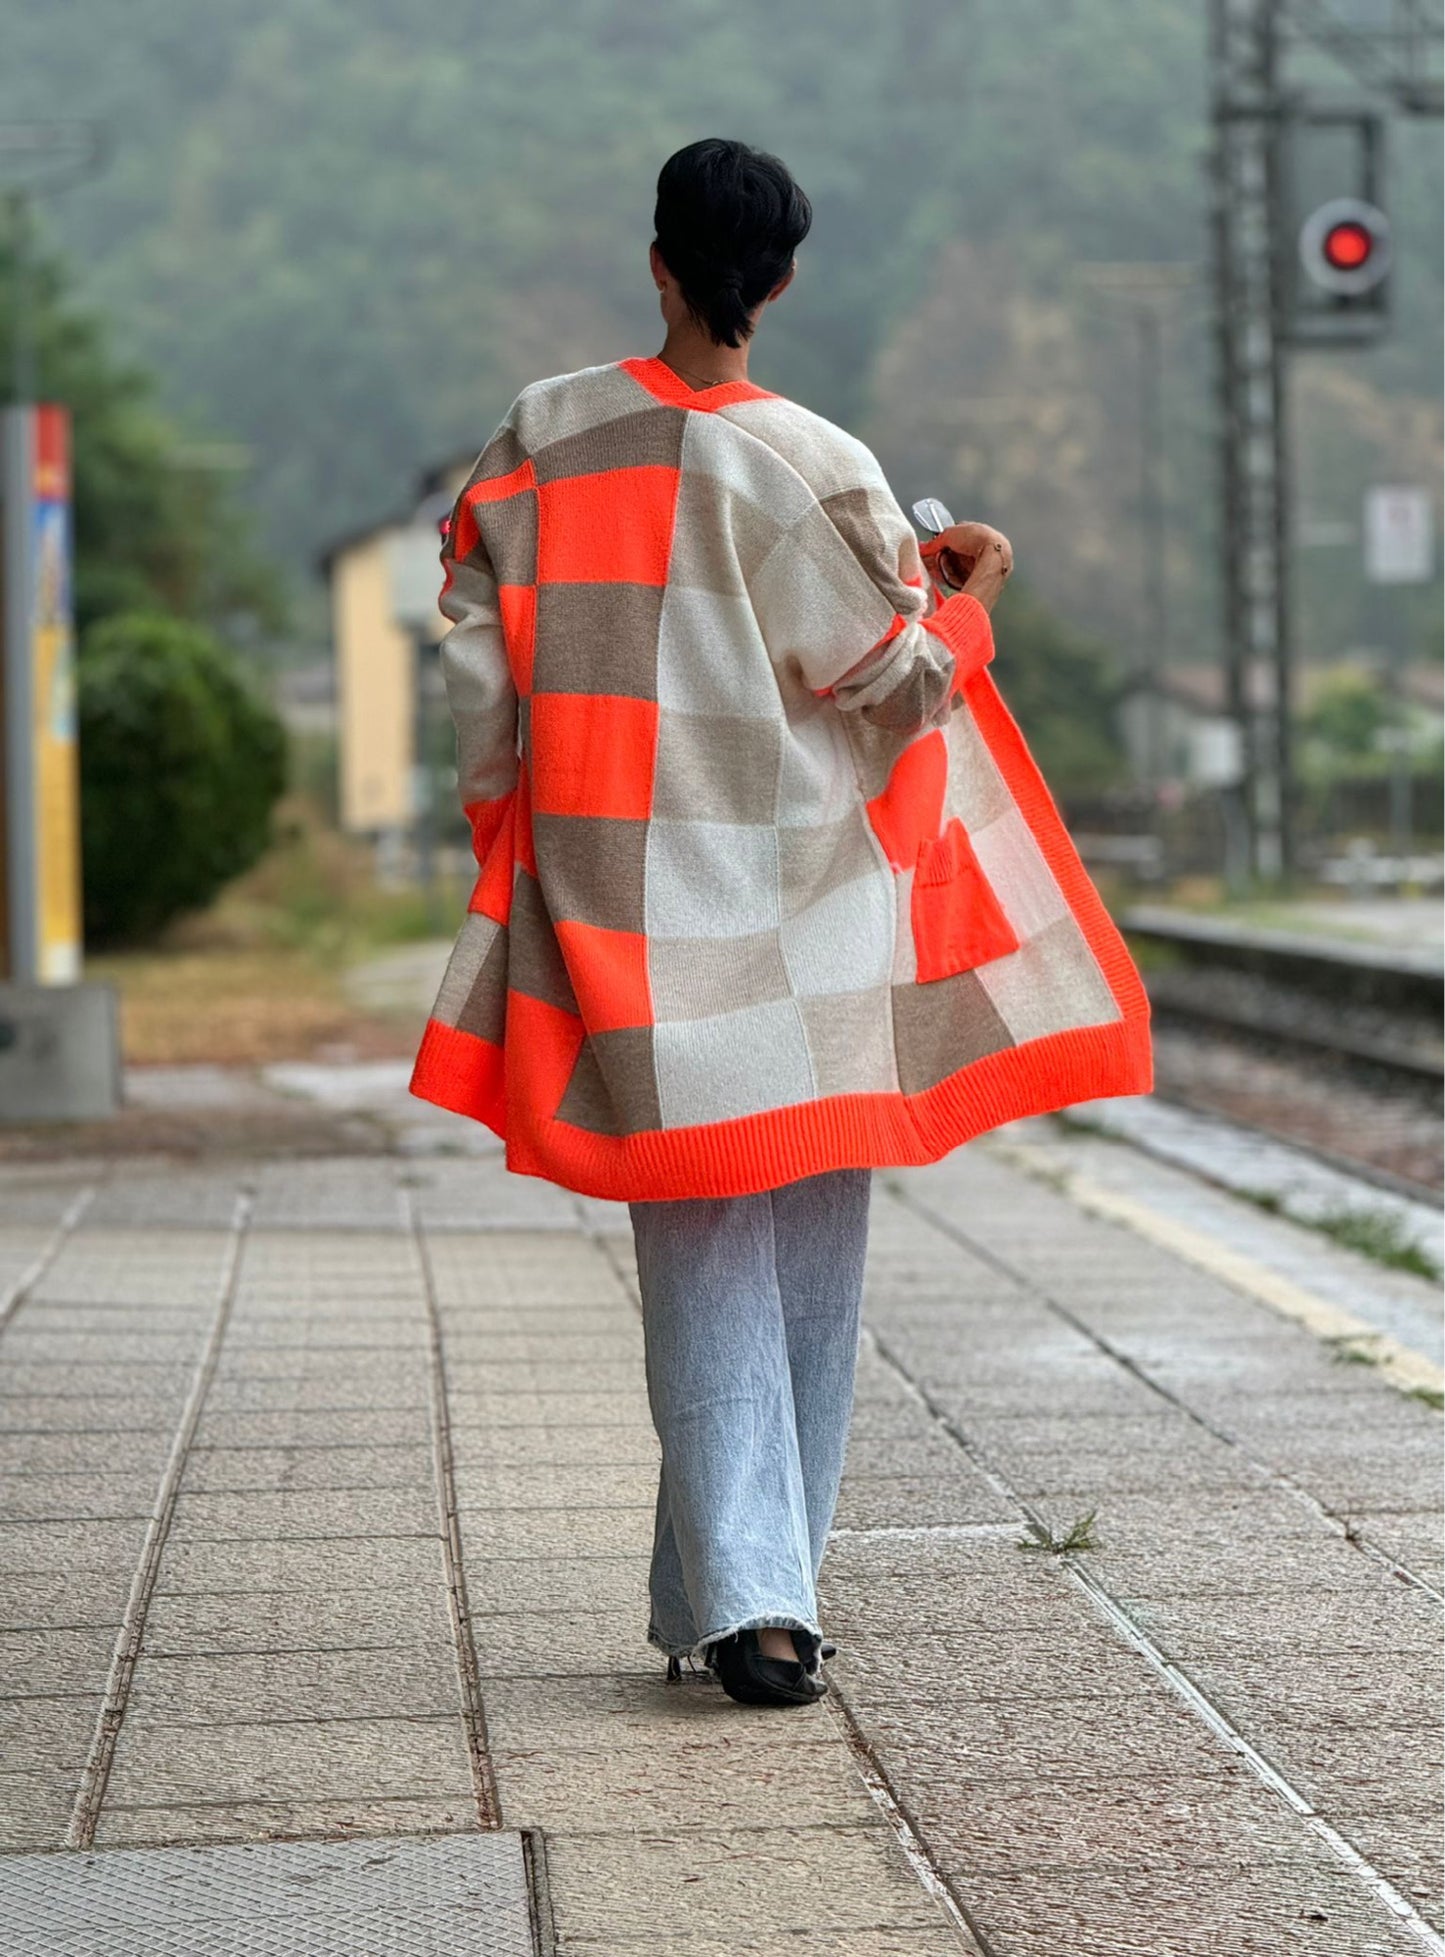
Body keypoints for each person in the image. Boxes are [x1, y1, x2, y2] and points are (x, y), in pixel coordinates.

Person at [411, 138, 1152, 1707]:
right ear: (784, 280)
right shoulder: (820, 462)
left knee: (695, 1253)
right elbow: (886, 685)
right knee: (810, 1268)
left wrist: (510, 824)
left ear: (659, 264)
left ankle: (747, 1599)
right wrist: (965, 594)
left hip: (626, 911)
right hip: (812, 923)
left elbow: (477, 658)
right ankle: (760, 1602)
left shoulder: (540, 438)